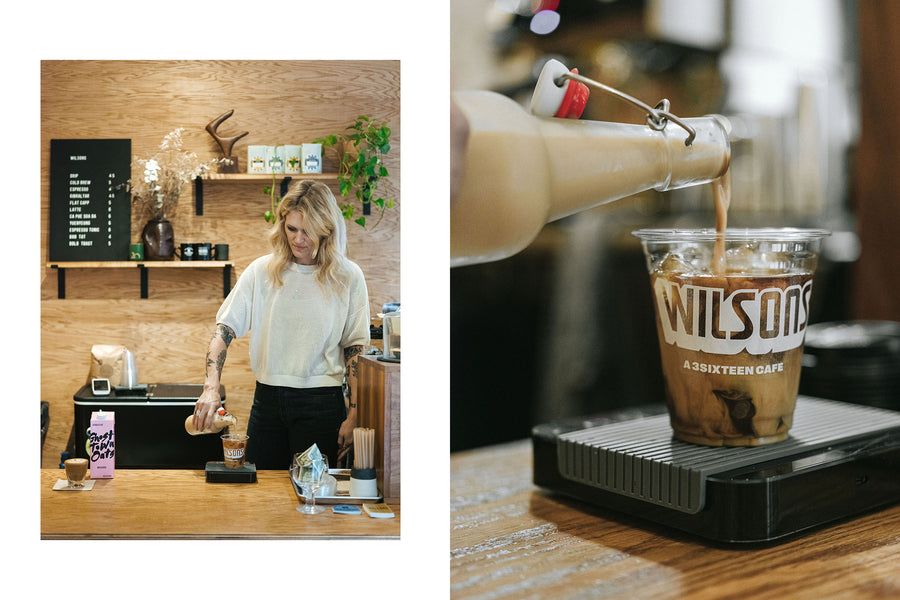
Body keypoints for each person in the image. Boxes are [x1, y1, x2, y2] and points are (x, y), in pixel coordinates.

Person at [192, 180, 371, 469]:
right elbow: (223, 331)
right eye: (291, 229)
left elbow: (355, 349)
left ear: (326, 229)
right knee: (261, 492)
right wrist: (210, 387)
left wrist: (355, 414)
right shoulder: (262, 271)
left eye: (308, 231)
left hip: (322, 404)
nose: (298, 239)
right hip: (268, 400)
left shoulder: (348, 276)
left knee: (315, 498)